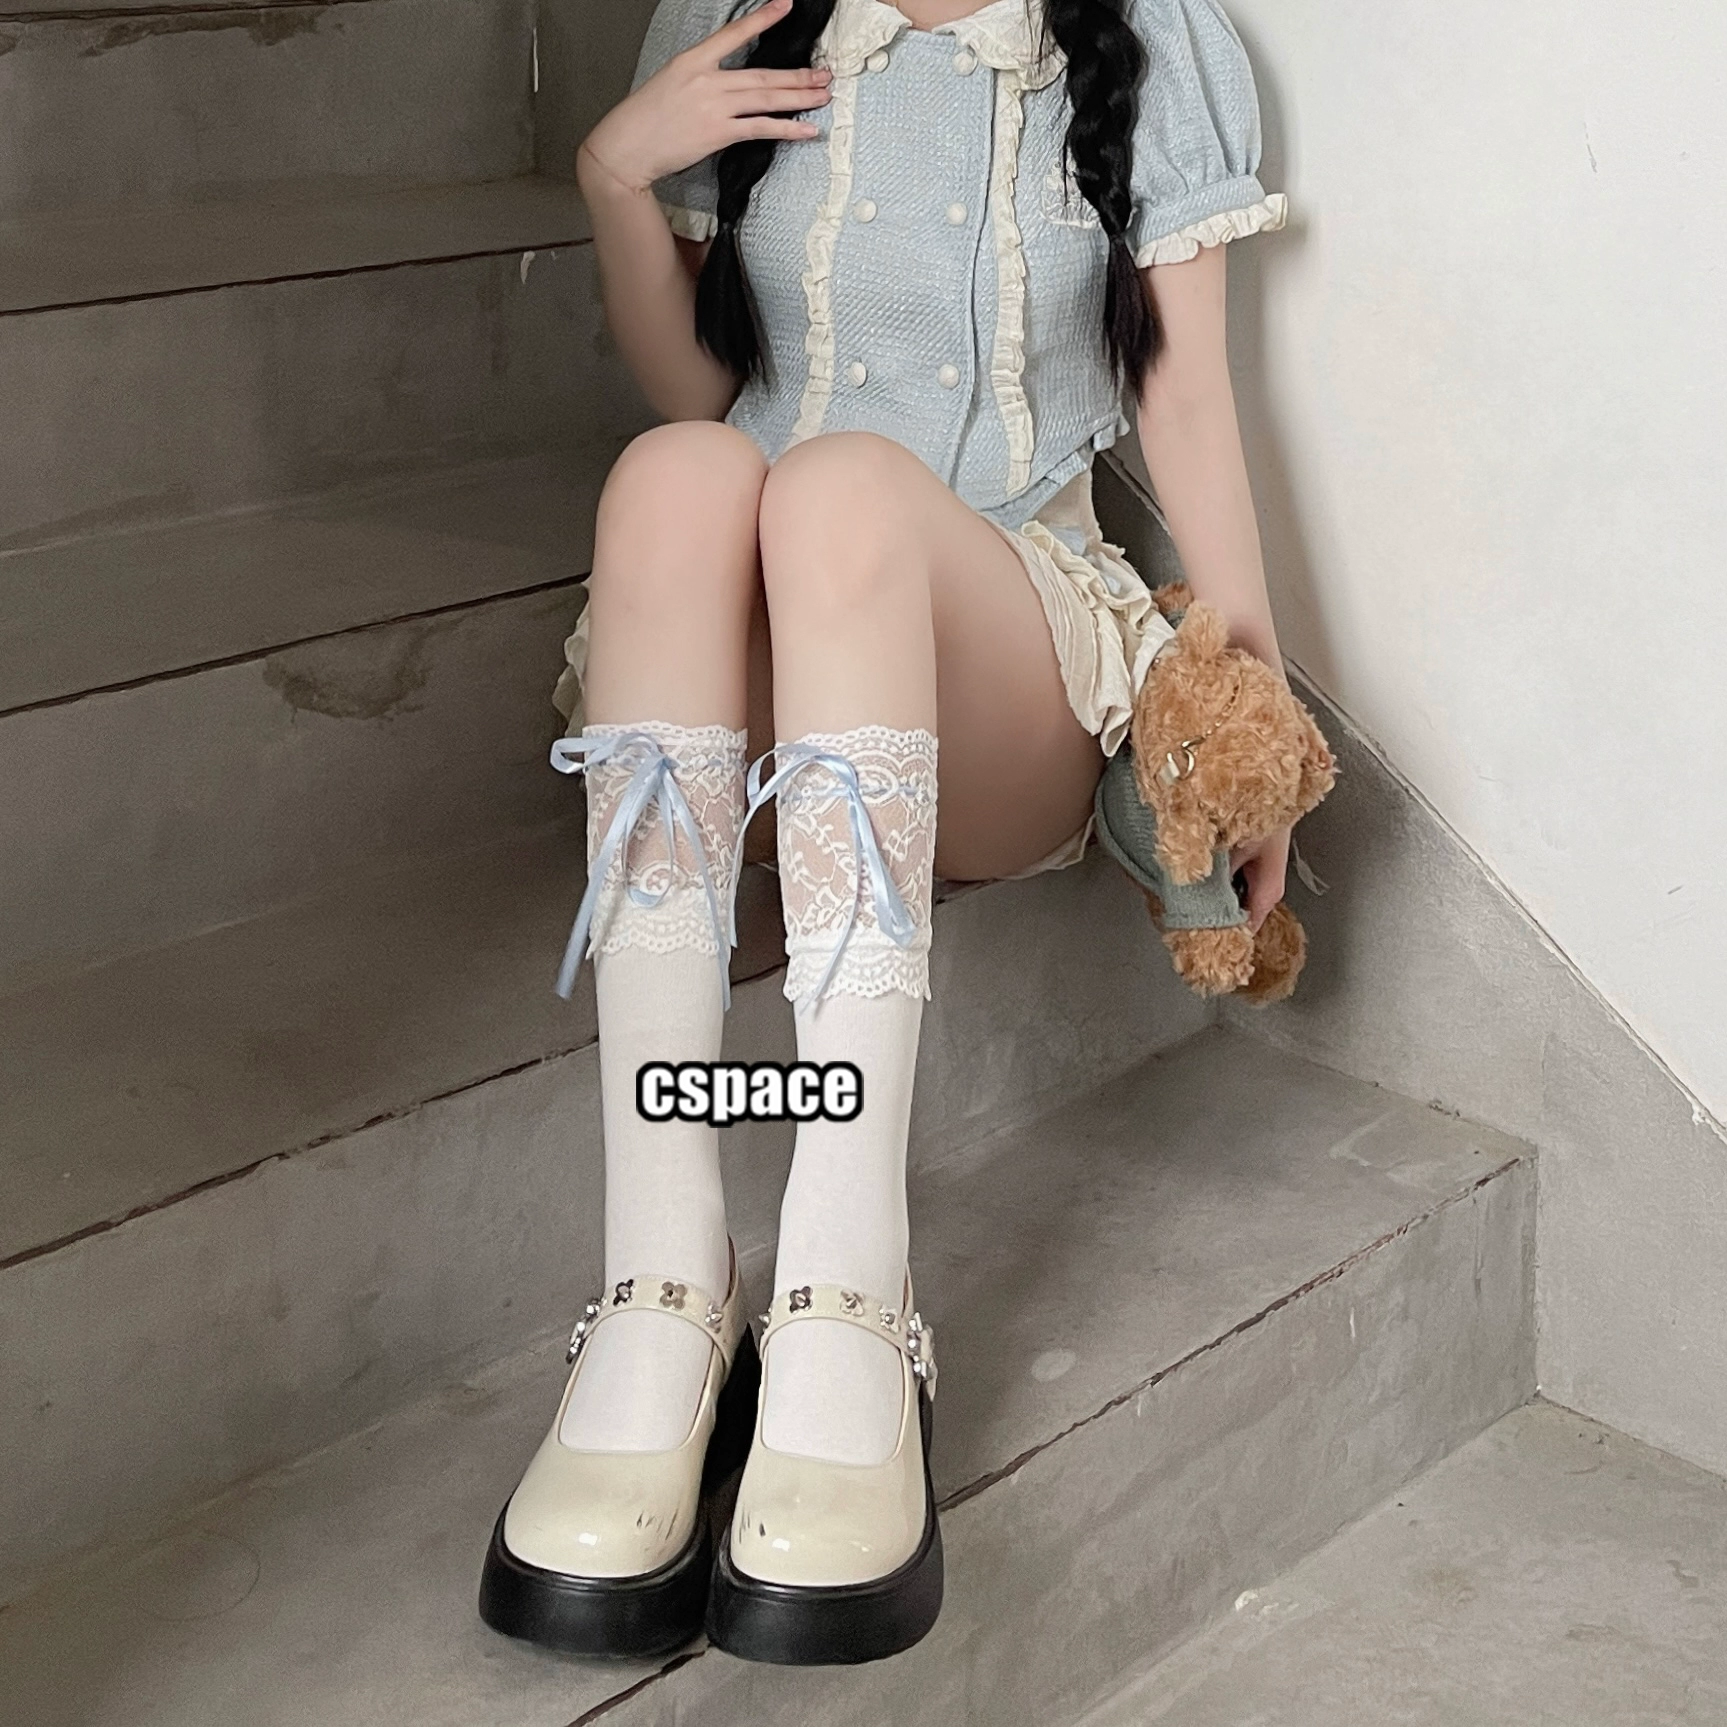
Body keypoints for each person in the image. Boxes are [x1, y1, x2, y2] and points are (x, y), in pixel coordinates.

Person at [478, 0, 1291, 1667]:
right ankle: (661, 1284)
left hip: (993, 668)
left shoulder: (1148, 40)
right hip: (773, 689)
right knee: (673, 473)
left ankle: (849, 1290)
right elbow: (704, 387)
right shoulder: (733, 22)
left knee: (840, 487)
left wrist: (1247, 714)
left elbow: (1189, 402)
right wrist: (617, 177)